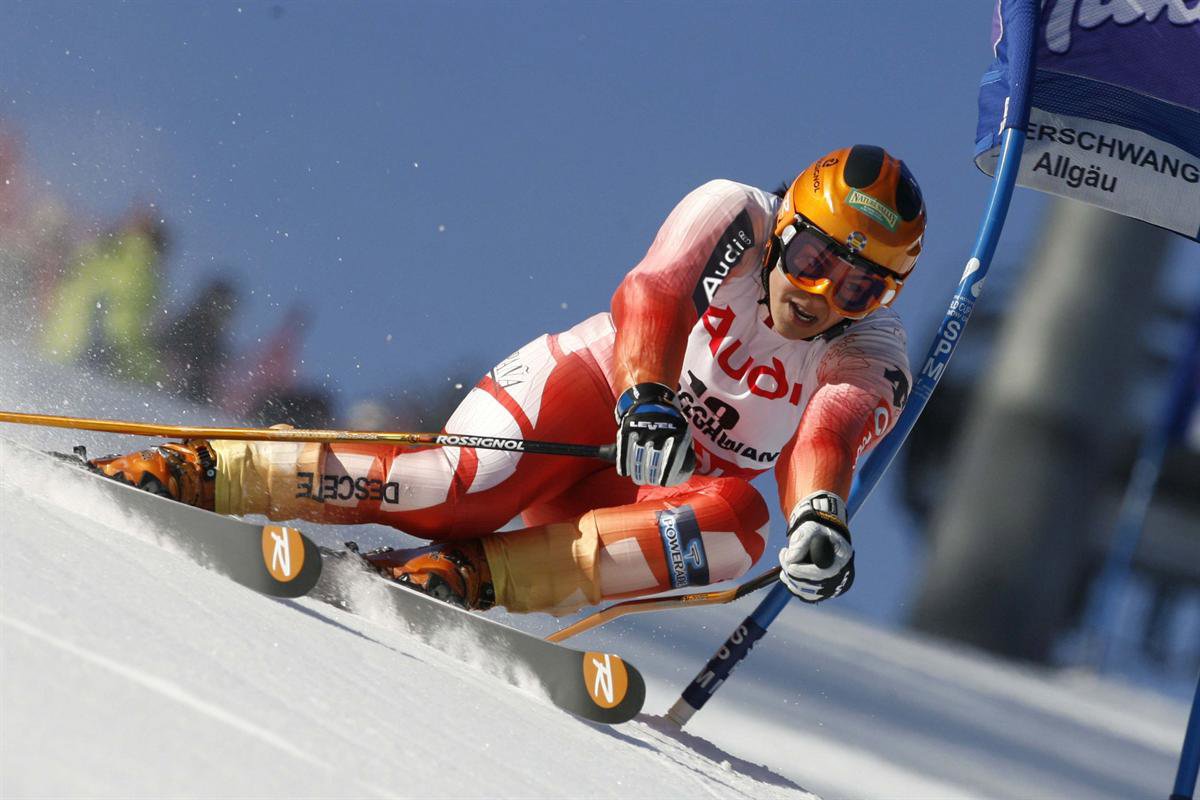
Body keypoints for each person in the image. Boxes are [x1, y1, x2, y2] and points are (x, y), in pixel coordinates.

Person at [88, 145, 924, 615]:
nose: (821, 295)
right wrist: (646, 393)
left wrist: (819, 517)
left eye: (859, 287)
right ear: (784, 227)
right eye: (812, 259)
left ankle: (475, 576)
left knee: (734, 528)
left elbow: (828, 433)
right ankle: (214, 469)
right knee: (450, 494)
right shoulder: (736, 213)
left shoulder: (872, 351)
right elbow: (656, 292)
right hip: (592, 400)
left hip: (639, 493)